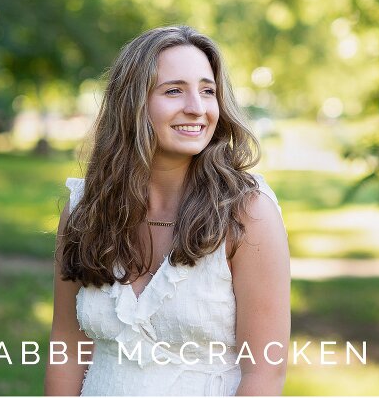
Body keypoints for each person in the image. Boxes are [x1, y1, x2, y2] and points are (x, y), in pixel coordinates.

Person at [44, 26, 290, 396]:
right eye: (174, 90)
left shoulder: (247, 214)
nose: (197, 107)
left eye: (208, 91)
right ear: (133, 103)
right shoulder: (85, 210)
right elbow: (66, 348)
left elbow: (265, 373)